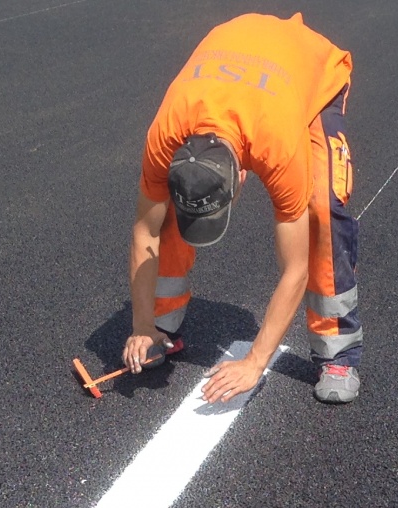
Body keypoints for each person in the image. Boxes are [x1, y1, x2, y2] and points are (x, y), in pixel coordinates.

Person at [121, 13, 363, 405]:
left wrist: (255, 361)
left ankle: (339, 353)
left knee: (321, 211)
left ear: (240, 178)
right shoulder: (165, 136)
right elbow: (144, 230)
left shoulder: (276, 146)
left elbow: (295, 268)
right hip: (240, 57)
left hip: (310, 75)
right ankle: (161, 324)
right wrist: (141, 325)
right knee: (170, 206)